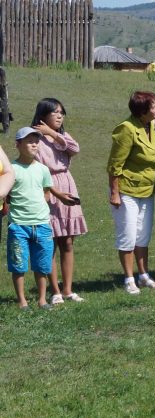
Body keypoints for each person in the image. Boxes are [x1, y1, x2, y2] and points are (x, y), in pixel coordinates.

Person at [6, 127, 77, 310]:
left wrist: (40, 207)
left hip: (42, 225)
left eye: (36, 141)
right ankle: (22, 301)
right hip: (19, 225)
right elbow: (7, 195)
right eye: (29, 141)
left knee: (42, 265)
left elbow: (46, 192)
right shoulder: (11, 170)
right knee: (18, 265)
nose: (34, 144)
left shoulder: (43, 169)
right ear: (18, 145)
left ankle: (42, 300)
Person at [31, 98, 86, 304]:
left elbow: (75, 149)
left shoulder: (61, 136)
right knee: (50, 242)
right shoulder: (34, 137)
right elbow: (36, 169)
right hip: (48, 188)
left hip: (67, 183)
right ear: (43, 115)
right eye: (54, 112)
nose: (59, 115)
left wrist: (53, 134)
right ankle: (54, 291)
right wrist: (55, 193)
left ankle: (68, 290)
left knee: (68, 242)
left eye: (61, 112)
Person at [107, 91, 155, 294]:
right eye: (153, 107)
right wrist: (115, 193)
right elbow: (115, 165)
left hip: (147, 190)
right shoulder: (126, 129)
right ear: (142, 112)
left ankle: (144, 275)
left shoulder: (153, 125)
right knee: (128, 236)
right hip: (126, 191)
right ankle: (129, 279)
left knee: (143, 235)